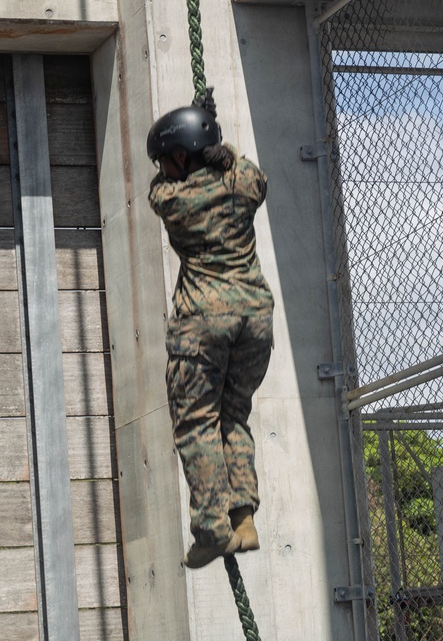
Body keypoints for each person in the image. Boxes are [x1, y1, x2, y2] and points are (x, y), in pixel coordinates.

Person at [146, 103, 274, 569]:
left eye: (166, 157)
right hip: (255, 316)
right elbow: (251, 174)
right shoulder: (242, 184)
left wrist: (190, 158)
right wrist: (222, 147)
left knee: (196, 423)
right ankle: (244, 518)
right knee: (234, 415)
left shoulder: (172, 201)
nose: (162, 168)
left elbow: (157, 189)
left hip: (202, 323)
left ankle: (211, 530)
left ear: (181, 157)